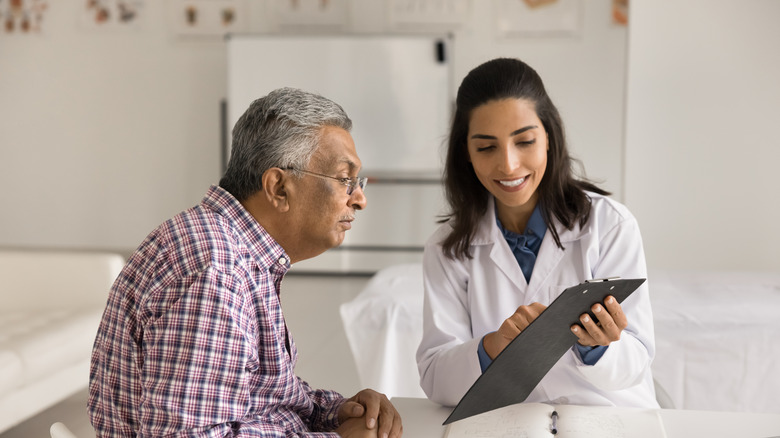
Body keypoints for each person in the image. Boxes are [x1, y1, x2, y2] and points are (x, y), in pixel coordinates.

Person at [89, 87, 402, 437]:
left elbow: (260, 395)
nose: (359, 199)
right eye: (345, 180)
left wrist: (335, 412)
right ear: (278, 188)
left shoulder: (233, 249)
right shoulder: (217, 269)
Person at [416, 58, 658, 409]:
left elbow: (636, 361)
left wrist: (598, 347)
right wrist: (493, 346)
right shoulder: (447, 247)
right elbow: (437, 378)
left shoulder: (610, 226)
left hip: (607, 418)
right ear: (465, 152)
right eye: (486, 147)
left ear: (549, 136)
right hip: (507, 422)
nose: (509, 165)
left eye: (525, 141)